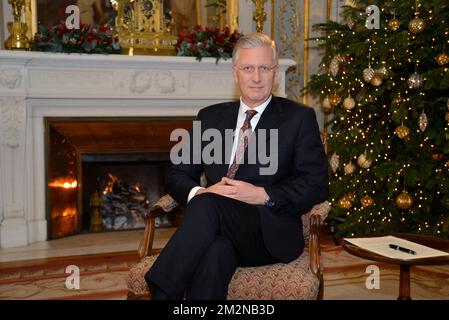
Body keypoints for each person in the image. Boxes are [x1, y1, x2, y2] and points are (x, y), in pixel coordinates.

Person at [145, 32, 329, 300]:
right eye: (248, 68)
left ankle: (160, 291)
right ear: (235, 73)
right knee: (215, 251)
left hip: (268, 233)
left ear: (276, 73)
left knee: (208, 206)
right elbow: (178, 173)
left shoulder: (298, 118)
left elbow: (316, 185)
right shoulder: (210, 117)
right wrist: (201, 192)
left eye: (264, 68)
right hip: (217, 229)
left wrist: (262, 194)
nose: (256, 77)